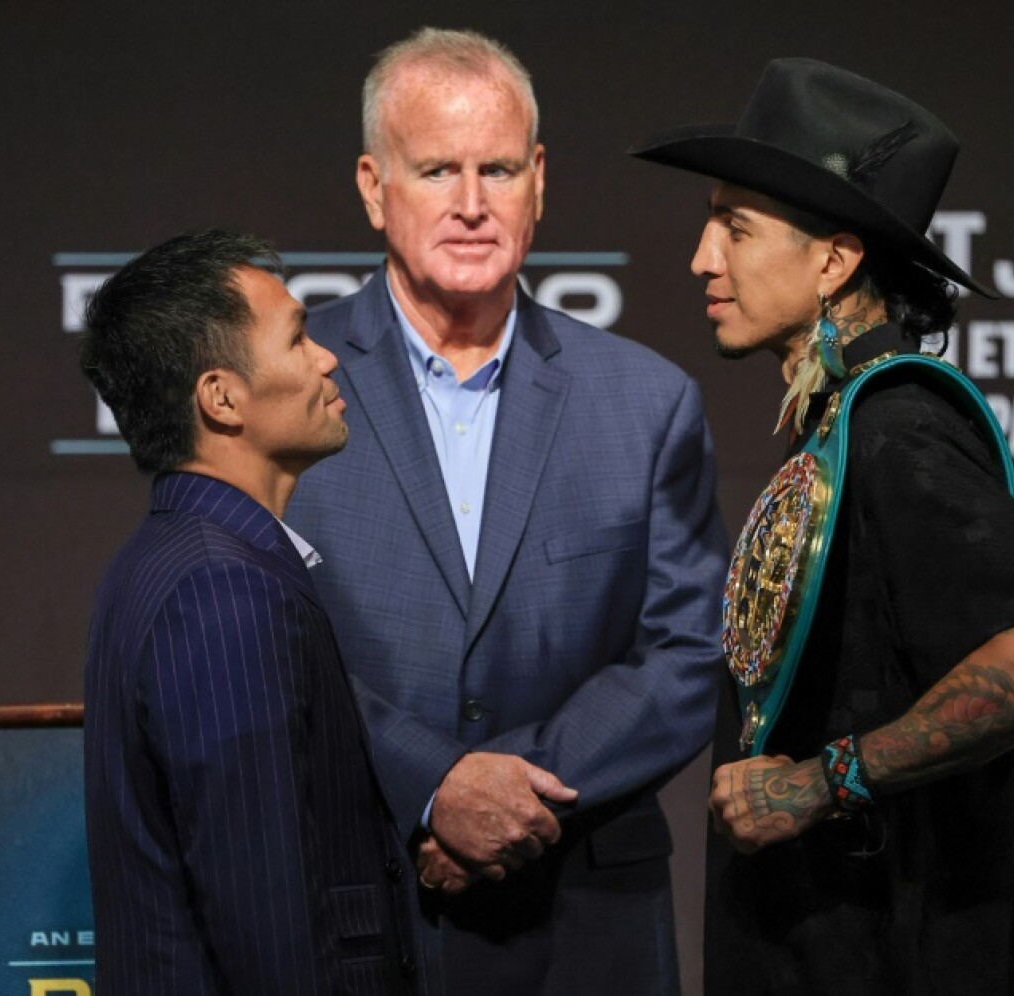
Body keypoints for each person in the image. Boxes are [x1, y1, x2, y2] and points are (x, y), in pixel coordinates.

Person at [632, 59, 1014, 994]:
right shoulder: (845, 424)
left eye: (735, 226)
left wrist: (820, 782)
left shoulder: (900, 427)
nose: (701, 258)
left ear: (835, 261)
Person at [285, 27, 727, 996]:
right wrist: (431, 787)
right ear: (372, 186)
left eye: (498, 169)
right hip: (357, 908)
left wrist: (506, 792)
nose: (472, 205)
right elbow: (257, 641)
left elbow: (688, 655)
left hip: (588, 929)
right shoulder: (280, 385)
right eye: (437, 169)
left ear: (539, 181)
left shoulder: (648, 402)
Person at [80, 229, 421, 995]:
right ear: (222, 397)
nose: (328, 357)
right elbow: (268, 919)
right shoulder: (221, 589)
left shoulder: (176, 557)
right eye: (298, 338)